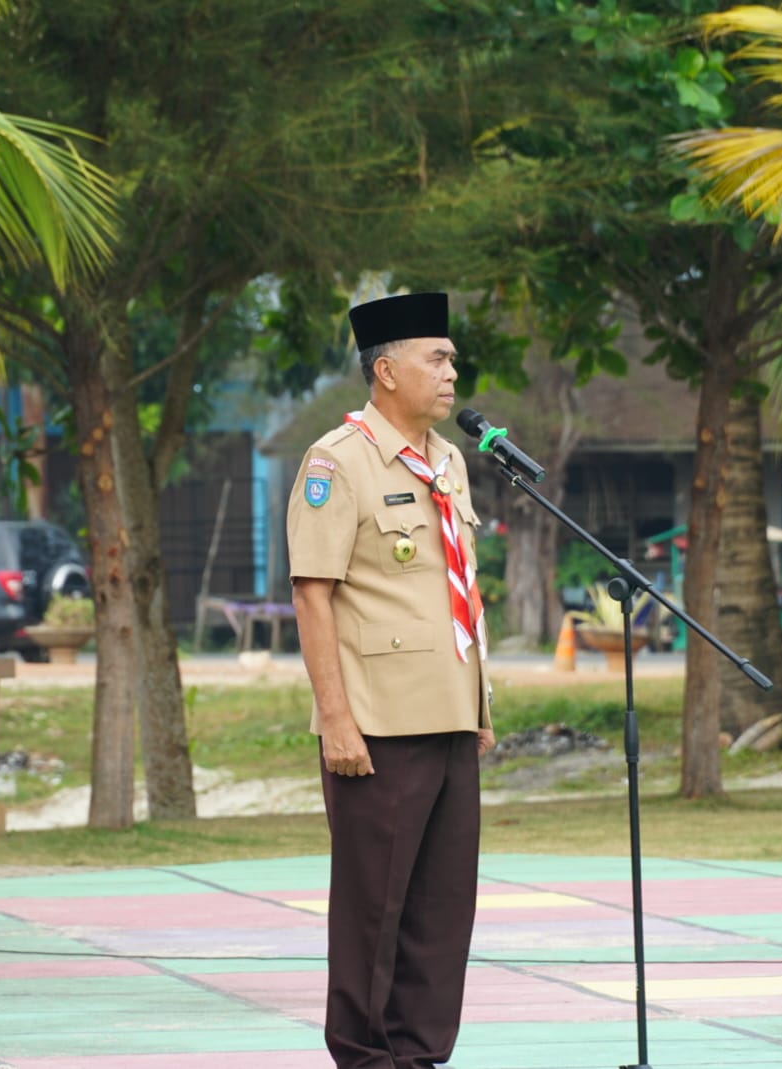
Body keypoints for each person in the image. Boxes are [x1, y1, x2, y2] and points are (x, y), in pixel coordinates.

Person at [287, 291, 495, 1069]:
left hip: (448, 719)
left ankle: (419, 1055)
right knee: (374, 913)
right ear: (385, 370)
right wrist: (336, 720)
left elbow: (461, 589)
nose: (451, 371)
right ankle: (366, 1058)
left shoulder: (449, 460)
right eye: (435, 358)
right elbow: (314, 594)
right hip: (377, 728)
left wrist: (479, 704)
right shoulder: (337, 464)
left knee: (443, 913)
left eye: (450, 357)